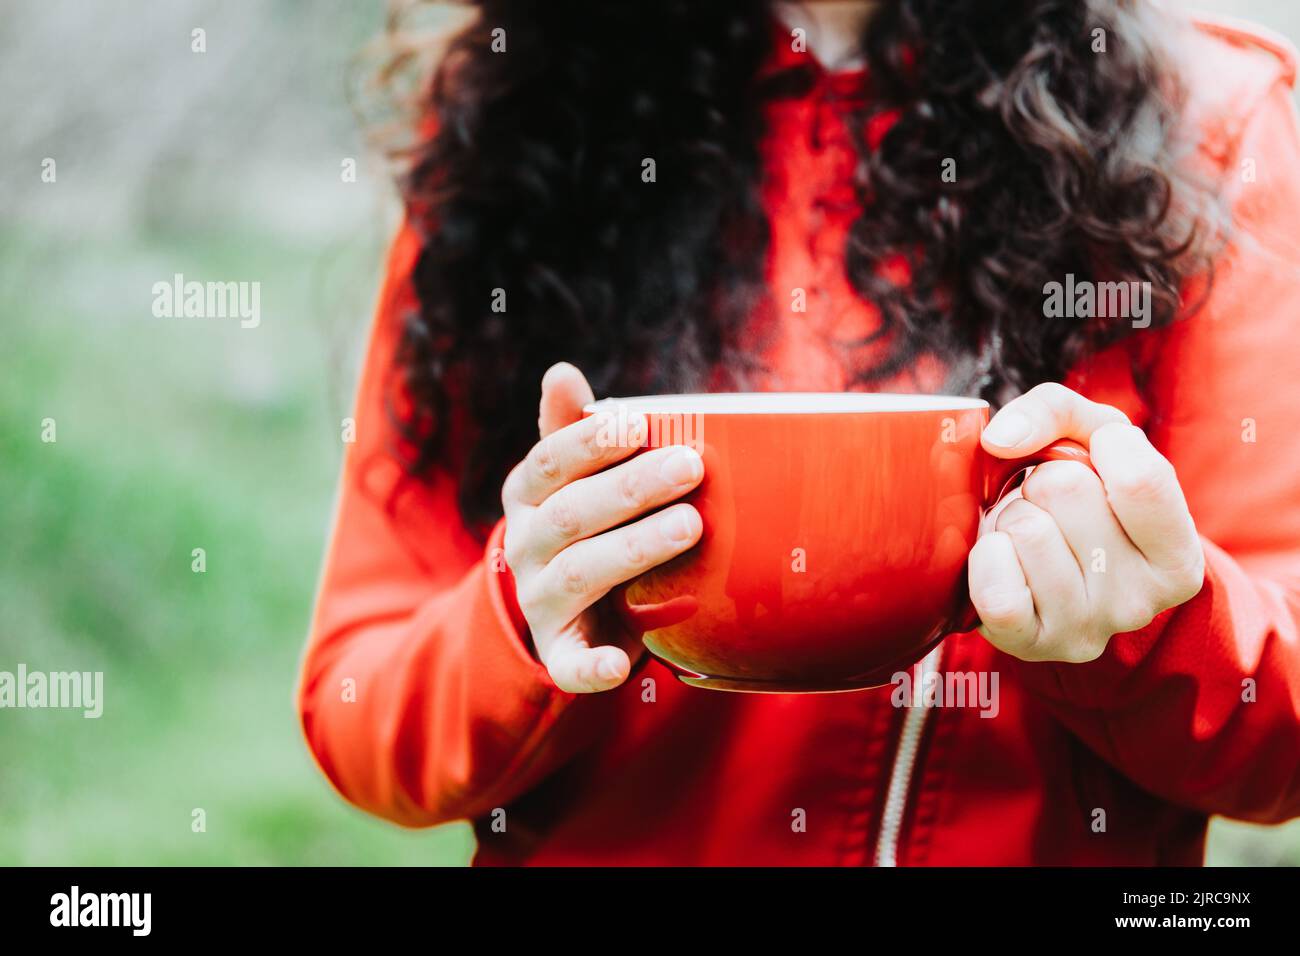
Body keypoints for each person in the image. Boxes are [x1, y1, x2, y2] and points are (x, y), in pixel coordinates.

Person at [297, 1, 1300, 864]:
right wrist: (527, 609)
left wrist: (1155, 626)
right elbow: (357, 704)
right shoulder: (516, 117)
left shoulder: (1204, 131)